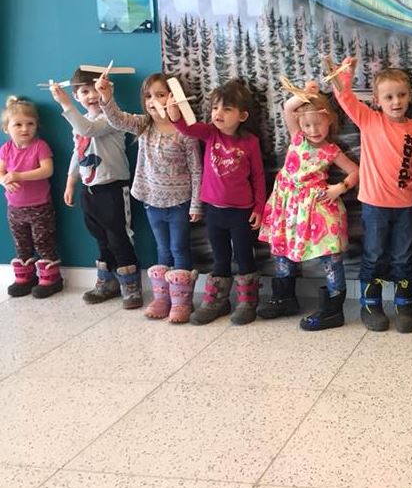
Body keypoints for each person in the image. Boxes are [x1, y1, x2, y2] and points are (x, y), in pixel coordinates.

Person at [328, 57, 412, 333]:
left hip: (405, 206)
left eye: (401, 95)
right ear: (377, 100)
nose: (396, 102)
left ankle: (404, 303)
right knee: (373, 255)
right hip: (374, 206)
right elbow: (345, 97)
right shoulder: (369, 120)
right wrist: (345, 74)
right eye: (388, 97)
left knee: (403, 257)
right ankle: (370, 303)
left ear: (409, 96)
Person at [96, 72, 202, 323]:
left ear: (174, 98)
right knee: (162, 250)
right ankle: (163, 298)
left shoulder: (185, 132)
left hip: (179, 202)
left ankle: (182, 301)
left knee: (179, 249)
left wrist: (196, 203)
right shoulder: (143, 124)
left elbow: (197, 169)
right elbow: (116, 119)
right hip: (151, 201)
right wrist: (106, 96)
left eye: (160, 95)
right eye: (148, 96)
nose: (153, 101)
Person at [258, 85, 358, 331]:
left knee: (330, 254)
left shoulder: (331, 150)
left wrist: (339, 188)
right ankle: (285, 298)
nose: (313, 130)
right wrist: (304, 93)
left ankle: (333, 308)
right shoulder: (297, 138)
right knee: (281, 249)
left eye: (318, 124)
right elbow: (288, 108)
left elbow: (356, 171)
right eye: (307, 125)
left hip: (316, 206)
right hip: (287, 205)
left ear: (329, 121)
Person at [166, 79, 266, 325]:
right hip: (214, 211)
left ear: (242, 115)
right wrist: (174, 115)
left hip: (241, 212)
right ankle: (218, 300)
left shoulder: (250, 142)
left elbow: (259, 176)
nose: (218, 113)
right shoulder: (210, 133)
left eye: (226, 109)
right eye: (214, 108)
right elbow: (188, 129)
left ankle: (248, 301)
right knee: (220, 257)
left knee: (244, 256)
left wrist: (260, 208)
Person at [51, 69, 140, 308]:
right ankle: (107, 281)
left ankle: (130, 284)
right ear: (77, 95)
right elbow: (77, 151)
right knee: (100, 237)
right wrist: (71, 181)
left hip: (113, 188)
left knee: (119, 237)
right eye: (84, 91)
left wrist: (65, 104)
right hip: (90, 190)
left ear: (107, 89)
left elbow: (87, 130)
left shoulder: (112, 118)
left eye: (96, 89)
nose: (91, 95)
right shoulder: (78, 120)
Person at [1, 96, 61, 298]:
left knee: (43, 241)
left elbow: (47, 170)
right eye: (18, 124)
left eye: (30, 124)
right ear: (6, 128)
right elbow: (1, 172)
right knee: (21, 243)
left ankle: (51, 278)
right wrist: (4, 180)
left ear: (37, 125)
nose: (24, 129)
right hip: (14, 209)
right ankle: (26, 276)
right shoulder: (6, 149)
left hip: (39, 207)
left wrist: (18, 176)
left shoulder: (40, 146)